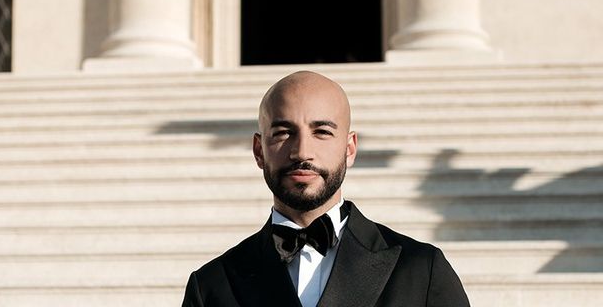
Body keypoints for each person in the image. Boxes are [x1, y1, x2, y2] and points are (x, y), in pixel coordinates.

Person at [182, 71, 470, 307]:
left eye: (322, 132)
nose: (302, 152)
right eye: (283, 133)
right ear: (259, 150)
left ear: (349, 148)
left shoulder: (422, 270)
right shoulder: (209, 286)